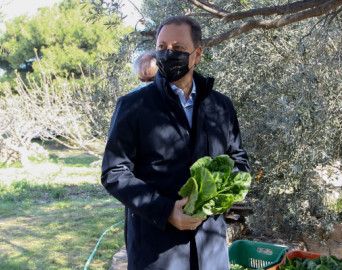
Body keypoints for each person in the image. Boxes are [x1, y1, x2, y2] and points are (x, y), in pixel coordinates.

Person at [101, 15, 250, 270]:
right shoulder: (133, 106)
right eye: (162, 48)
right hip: (156, 252)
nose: (168, 54)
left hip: (211, 251)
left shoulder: (221, 107)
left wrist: (216, 199)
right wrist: (166, 210)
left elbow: (239, 162)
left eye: (178, 48)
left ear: (197, 54)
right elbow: (114, 172)